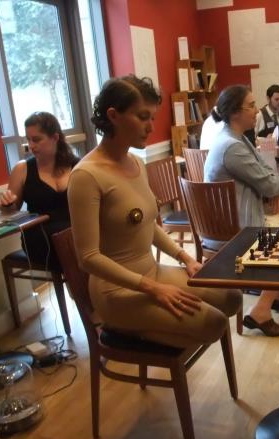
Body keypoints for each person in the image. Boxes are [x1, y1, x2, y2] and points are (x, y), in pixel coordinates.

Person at [67, 75, 242, 348]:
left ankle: (155, 327)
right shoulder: (86, 176)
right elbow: (88, 258)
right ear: (113, 115)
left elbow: (148, 224)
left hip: (152, 272)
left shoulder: (136, 162)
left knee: (232, 297)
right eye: (143, 117)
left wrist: (186, 258)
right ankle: (127, 333)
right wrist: (154, 290)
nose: (151, 126)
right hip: (115, 292)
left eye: (152, 117)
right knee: (213, 322)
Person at [204, 85, 279, 336]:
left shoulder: (235, 138)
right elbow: (269, 182)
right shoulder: (232, 147)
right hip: (235, 229)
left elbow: (265, 176)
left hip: (234, 219)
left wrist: (276, 188)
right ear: (235, 112)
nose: (257, 111)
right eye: (251, 106)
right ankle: (261, 311)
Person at [0, 112, 79, 270]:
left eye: (36, 139)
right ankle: (85, 291)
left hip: (74, 233)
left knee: (78, 242)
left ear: (55, 138)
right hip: (40, 238)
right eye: (28, 140)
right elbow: (9, 212)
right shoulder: (22, 169)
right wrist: (7, 205)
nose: (31, 145)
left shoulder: (77, 165)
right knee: (73, 247)